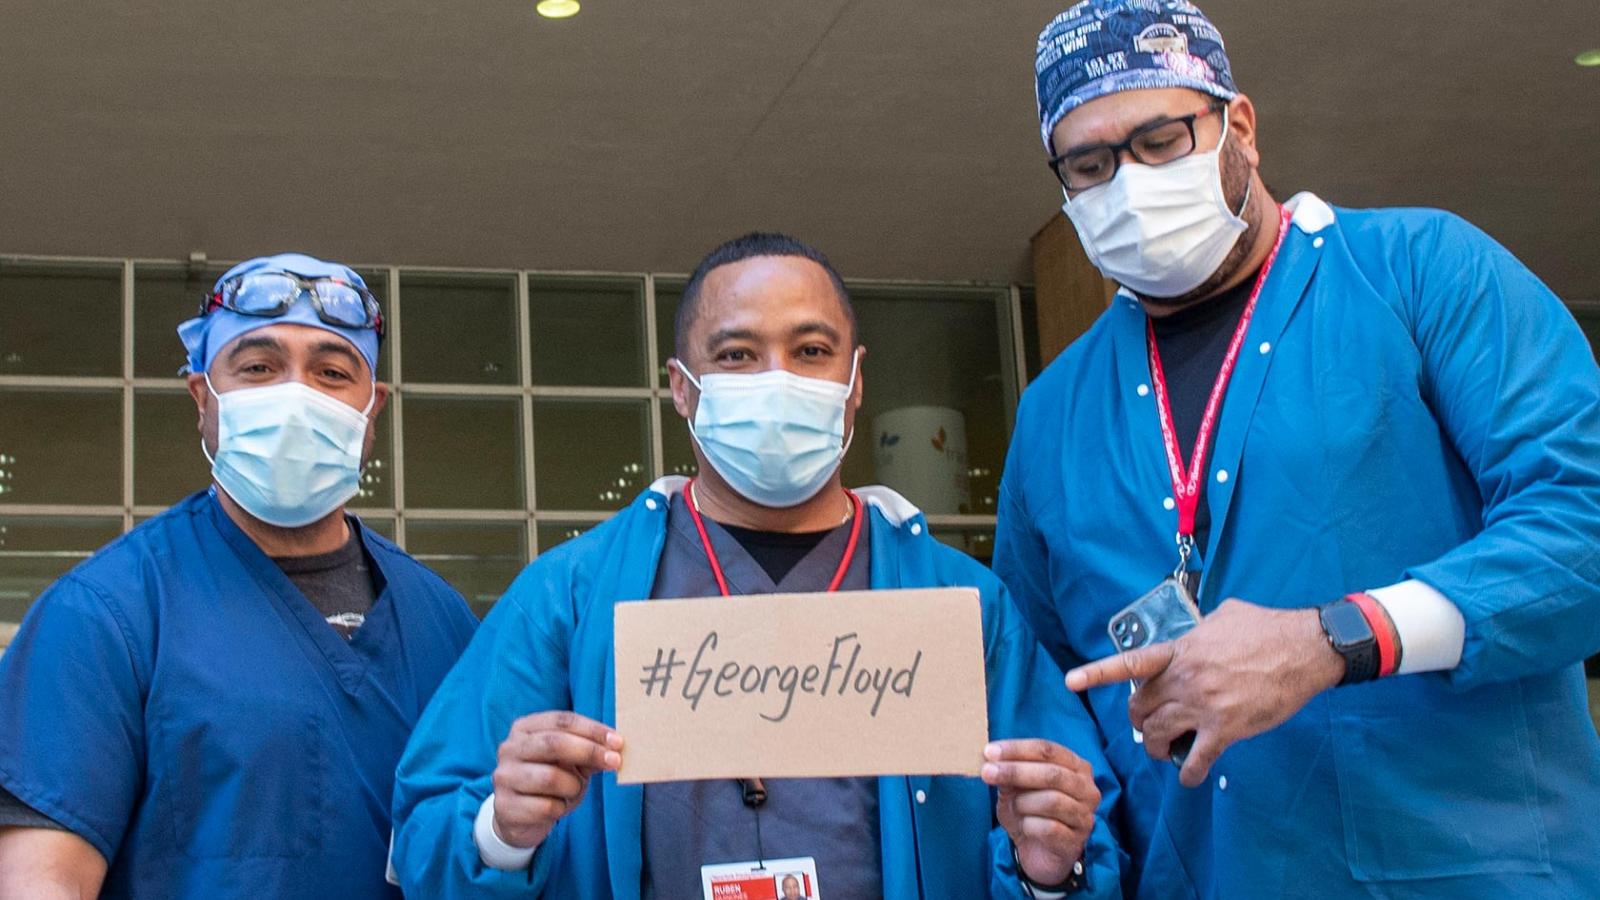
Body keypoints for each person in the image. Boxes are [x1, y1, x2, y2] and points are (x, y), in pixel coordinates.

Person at [995, 2, 1600, 898]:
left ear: (1239, 124)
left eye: (1160, 141)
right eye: (1090, 165)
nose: (1127, 184)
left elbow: (1580, 527)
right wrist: (1056, 868)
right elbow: (1045, 704)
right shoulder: (1053, 417)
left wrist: (1331, 640)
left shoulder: (1418, 271)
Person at [391, 233, 1125, 898]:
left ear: (856, 380)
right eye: (737, 355)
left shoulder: (961, 603)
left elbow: (1086, 835)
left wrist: (1051, 871)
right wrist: (501, 831)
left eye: (811, 351)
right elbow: (423, 838)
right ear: (681, 387)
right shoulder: (571, 598)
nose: (778, 380)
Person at [0, 254, 479, 898]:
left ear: (372, 412)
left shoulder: (442, 624)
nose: (297, 395)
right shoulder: (108, 615)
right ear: (203, 398)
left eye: (333, 372)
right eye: (258, 368)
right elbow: (40, 880)